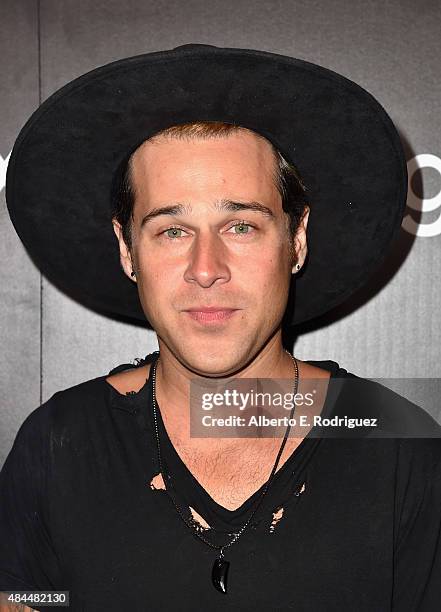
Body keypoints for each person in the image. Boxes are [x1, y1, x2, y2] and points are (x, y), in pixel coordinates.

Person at [1, 44, 441, 611]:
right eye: (172, 231)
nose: (206, 270)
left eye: (240, 226)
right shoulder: (60, 444)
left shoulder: (397, 446)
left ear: (296, 240)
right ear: (127, 249)